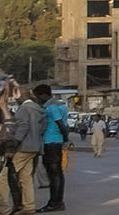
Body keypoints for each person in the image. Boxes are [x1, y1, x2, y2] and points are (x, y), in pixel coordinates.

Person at [31, 85, 66, 214]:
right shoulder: (59, 104)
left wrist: (66, 139)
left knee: (54, 174)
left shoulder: (51, 106)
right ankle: (57, 202)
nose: (37, 99)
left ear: (43, 95)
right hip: (55, 142)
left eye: (37, 96)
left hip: (51, 142)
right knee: (57, 174)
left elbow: (61, 124)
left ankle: (54, 203)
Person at [7, 86, 41, 215]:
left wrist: (14, 143)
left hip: (23, 147)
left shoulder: (23, 109)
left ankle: (9, 206)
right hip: (35, 147)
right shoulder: (37, 108)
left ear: (19, 95)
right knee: (26, 178)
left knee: (7, 175)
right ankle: (29, 206)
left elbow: (23, 127)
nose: (15, 98)